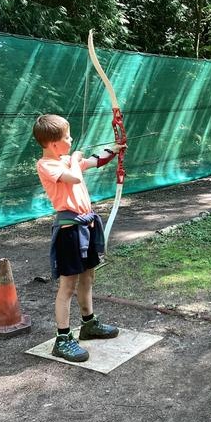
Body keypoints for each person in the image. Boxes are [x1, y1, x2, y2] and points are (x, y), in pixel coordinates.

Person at [32, 113, 126, 362]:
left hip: (86, 226)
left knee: (88, 276)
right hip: (69, 231)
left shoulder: (65, 160)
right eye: (67, 136)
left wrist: (114, 149)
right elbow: (74, 177)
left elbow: (94, 161)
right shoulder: (47, 165)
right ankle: (62, 339)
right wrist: (74, 159)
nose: (71, 139)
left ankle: (88, 324)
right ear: (54, 144)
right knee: (68, 285)